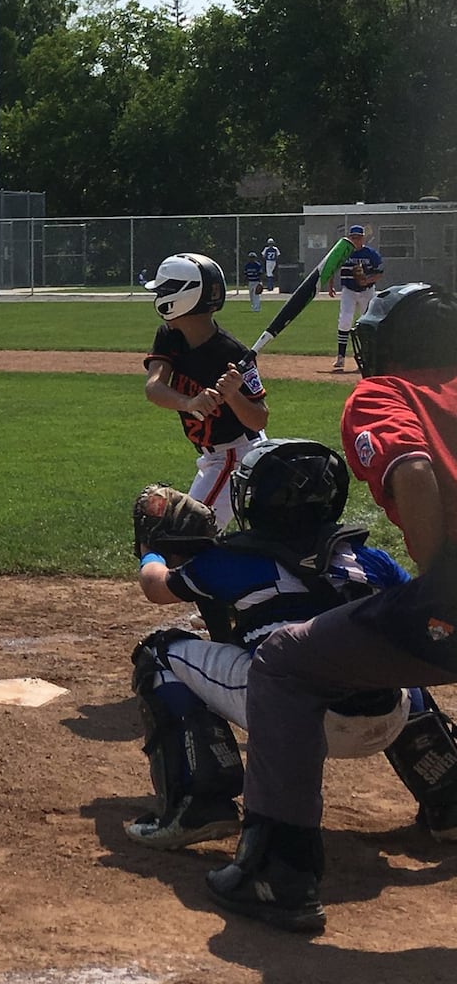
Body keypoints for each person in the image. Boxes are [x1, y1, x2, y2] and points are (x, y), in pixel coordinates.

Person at [206, 283, 457, 932]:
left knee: (287, 663)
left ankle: (279, 872)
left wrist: (440, 585)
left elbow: (418, 471)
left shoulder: (384, 392)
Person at [124, 447, 416, 853]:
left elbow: (157, 587)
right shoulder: (371, 561)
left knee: (158, 653)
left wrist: (153, 548)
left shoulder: (235, 561)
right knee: (393, 650)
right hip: (390, 719)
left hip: (294, 720)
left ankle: (199, 804)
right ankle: (447, 794)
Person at [142, 254, 269, 528]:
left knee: (188, 535)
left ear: (182, 297)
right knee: (194, 538)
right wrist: (190, 402)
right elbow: (154, 388)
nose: (159, 297)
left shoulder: (233, 353)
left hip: (237, 454)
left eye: (164, 291)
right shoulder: (170, 336)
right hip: (213, 456)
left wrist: (233, 394)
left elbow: (259, 420)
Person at [327, 223, 384, 371]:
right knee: (345, 321)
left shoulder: (371, 254)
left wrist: (367, 280)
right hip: (349, 291)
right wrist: (331, 285)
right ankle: (340, 357)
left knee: (366, 323)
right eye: (353, 237)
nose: (356, 240)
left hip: (367, 291)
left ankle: (367, 357)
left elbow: (379, 273)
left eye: (358, 237)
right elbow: (333, 267)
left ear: (363, 238)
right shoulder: (344, 253)